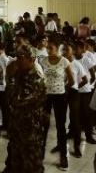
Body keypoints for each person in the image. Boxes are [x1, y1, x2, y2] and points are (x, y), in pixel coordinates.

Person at [3, 43, 48, 173]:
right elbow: (9, 99)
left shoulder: (37, 79)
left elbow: (16, 101)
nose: (16, 61)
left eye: (20, 57)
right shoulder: (19, 74)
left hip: (30, 130)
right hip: (17, 126)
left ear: (31, 59)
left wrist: (10, 78)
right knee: (16, 161)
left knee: (32, 165)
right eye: (16, 57)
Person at [39, 39, 74, 170]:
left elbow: (71, 80)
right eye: (47, 48)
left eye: (51, 48)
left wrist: (63, 90)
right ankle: (40, 154)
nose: (48, 50)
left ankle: (63, 157)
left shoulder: (64, 61)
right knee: (44, 125)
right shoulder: (43, 61)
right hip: (46, 96)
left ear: (57, 48)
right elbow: (42, 77)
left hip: (60, 96)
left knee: (60, 126)